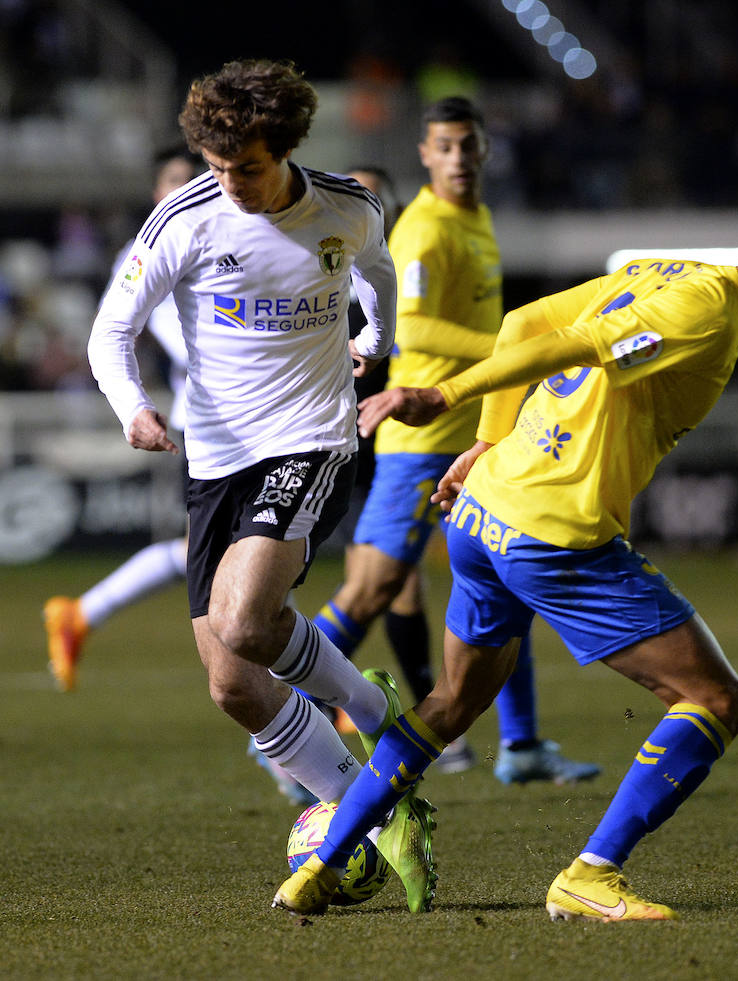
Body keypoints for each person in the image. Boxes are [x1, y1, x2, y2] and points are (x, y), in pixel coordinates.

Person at [273, 201, 738, 919]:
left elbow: (525, 322)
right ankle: (591, 873)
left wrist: (487, 445)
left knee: (450, 704)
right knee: (716, 700)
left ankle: (320, 865)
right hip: (552, 533)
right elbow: (579, 344)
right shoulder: (712, 311)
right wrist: (445, 393)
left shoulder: (665, 269)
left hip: (484, 511)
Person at [86, 59, 437, 914]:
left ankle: (366, 752)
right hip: (214, 457)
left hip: (311, 436)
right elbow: (112, 329)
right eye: (214, 165)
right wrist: (132, 406)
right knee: (233, 683)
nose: (229, 183)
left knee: (245, 622)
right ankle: (378, 783)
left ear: (283, 149)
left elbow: (378, 271)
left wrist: (377, 337)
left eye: (244, 165)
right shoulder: (185, 219)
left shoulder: (346, 207)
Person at [311, 97, 600, 785]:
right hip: (423, 436)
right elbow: (413, 327)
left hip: (476, 434)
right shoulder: (426, 229)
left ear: (484, 151)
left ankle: (523, 744)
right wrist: (513, 348)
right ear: (425, 154)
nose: (459, 158)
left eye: (469, 145)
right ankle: (279, 713)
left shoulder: (478, 220)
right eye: (445, 146)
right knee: (373, 589)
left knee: (508, 582)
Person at [44, 146, 202, 694]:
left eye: (196, 180)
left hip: (252, 419)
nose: (187, 191)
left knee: (236, 558)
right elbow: (178, 342)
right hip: (209, 421)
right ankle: (318, 698)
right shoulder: (146, 254)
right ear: (157, 193)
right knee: (242, 560)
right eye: (176, 182)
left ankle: (82, 614)